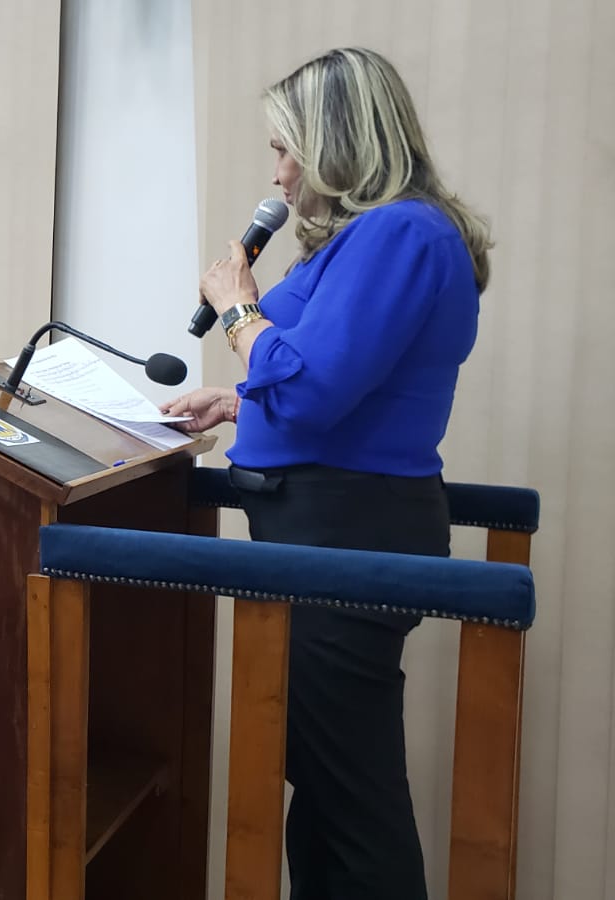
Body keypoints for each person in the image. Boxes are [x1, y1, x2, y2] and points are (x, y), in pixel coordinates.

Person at [162, 48, 491, 900]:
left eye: (285, 149)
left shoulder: (402, 232)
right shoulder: (365, 239)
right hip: (322, 527)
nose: (276, 173)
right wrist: (239, 403)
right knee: (323, 789)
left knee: (354, 800)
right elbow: (334, 388)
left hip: (346, 534)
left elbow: (311, 393)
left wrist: (239, 308)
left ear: (336, 142)